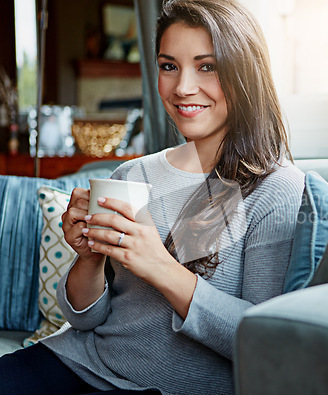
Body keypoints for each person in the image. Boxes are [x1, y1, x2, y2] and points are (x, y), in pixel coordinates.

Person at [0, 0, 304, 393]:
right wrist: (89, 258)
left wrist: (158, 265)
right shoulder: (133, 173)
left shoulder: (276, 189)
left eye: (207, 66)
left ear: (245, 73)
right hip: (78, 361)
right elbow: (85, 320)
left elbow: (263, 341)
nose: (182, 87)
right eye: (169, 66)